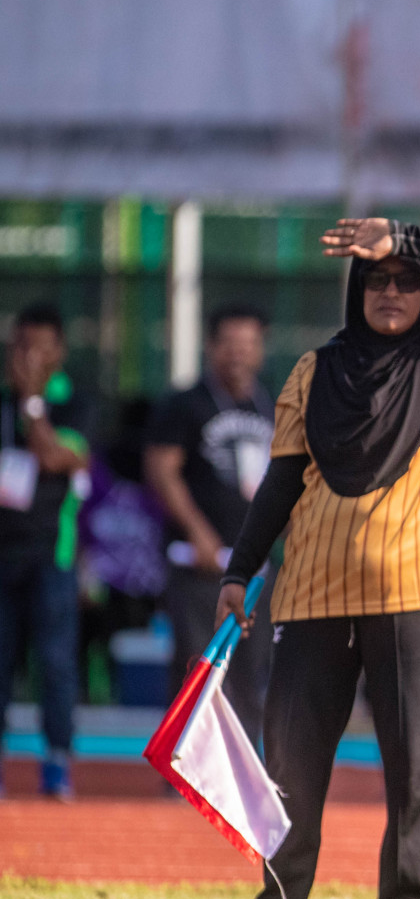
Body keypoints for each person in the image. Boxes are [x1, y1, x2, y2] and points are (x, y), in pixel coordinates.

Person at [216, 217, 420, 899]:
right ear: (357, 290)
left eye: (408, 283)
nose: (392, 293)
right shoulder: (314, 371)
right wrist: (240, 573)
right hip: (311, 593)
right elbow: (280, 486)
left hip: (417, 594)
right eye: (378, 280)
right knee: (289, 766)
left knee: (416, 770)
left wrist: (406, 242)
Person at [145, 303, 275, 747]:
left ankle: (242, 774)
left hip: (255, 569)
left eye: (248, 344)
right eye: (229, 344)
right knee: (196, 666)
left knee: (252, 674)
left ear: (261, 349)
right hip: (199, 567)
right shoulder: (185, 404)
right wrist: (196, 530)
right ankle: (182, 765)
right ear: (211, 346)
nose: (239, 354)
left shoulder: (272, 405)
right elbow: (162, 469)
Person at [0, 303, 92, 801]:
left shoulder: (74, 403)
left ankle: (57, 764)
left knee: (54, 666)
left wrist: (33, 403)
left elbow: (58, 456)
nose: (29, 358)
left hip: (50, 558)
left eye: (40, 348)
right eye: (22, 348)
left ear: (58, 352)